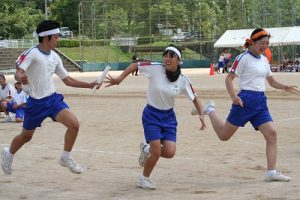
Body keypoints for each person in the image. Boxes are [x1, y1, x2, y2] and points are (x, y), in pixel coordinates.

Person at [192, 28, 300, 182]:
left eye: (267, 43)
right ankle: (210, 109)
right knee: (224, 136)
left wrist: (285, 87)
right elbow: (229, 79)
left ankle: (271, 172)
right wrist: (233, 96)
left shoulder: (264, 59)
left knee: (272, 134)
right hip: (244, 101)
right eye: (262, 43)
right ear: (253, 42)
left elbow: (271, 81)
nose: (265, 46)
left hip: (260, 102)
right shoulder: (243, 58)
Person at [1, 20, 101, 175]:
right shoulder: (32, 53)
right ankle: (9, 154)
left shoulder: (55, 57)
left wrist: (89, 85)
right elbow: (19, 71)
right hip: (35, 103)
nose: (58, 39)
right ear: (46, 38)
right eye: (56, 37)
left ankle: (65, 157)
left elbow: (67, 80)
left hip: (53, 100)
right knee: (26, 136)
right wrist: (21, 77)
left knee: (74, 124)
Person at [105, 45, 206, 189]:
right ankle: (144, 179)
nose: (167, 59)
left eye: (171, 56)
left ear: (179, 60)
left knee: (170, 152)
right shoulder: (156, 68)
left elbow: (194, 98)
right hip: (151, 115)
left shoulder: (183, 80)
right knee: (157, 151)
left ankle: (146, 150)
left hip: (169, 118)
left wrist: (201, 115)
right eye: (165, 55)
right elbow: (136, 64)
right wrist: (119, 78)